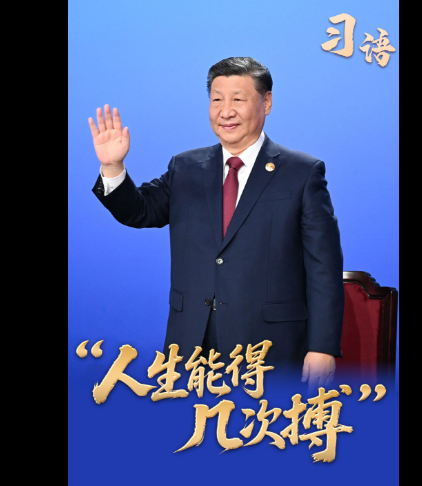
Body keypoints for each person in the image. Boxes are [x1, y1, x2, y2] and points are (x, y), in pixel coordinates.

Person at [88, 57, 343, 392]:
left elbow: (324, 268)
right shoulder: (186, 167)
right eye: (217, 100)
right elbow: (140, 211)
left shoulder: (302, 173)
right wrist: (113, 168)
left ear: (266, 102)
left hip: (268, 345)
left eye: (238, 99)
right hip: (191, 341)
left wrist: (322, 347)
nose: (226, 111)